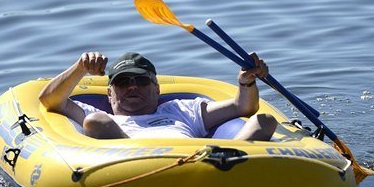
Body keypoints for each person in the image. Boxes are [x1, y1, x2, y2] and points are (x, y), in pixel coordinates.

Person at [39, 51, 278, 141]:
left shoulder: (181, 110)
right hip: (130, 165)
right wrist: (80, 68)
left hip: (201, 162)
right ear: (109, 93)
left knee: (264, 121)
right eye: (123, 82)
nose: (132, 87)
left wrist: (246, 82)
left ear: (157, 90)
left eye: (141, 81)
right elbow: (49, 100)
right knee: (96, 124)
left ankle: (238, 164)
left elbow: (242, 108)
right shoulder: (98, 114)